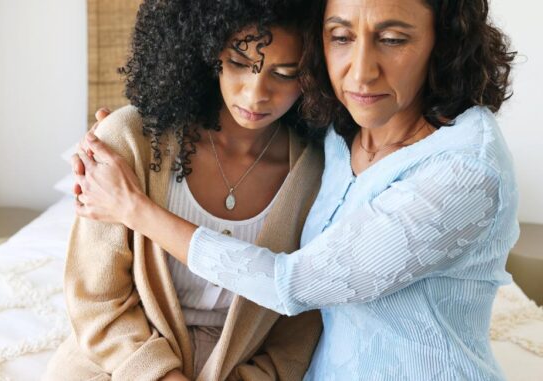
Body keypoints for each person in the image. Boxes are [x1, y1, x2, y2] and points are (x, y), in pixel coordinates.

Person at [71, 0, 519, 379]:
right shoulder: (343, 134)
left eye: (393, 39)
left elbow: (296, 294)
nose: (360, 74)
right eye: (341, 36)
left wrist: (135, 209)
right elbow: (96, 300)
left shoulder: (458, 169)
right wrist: (121, 134)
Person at [44, 0, 326, 380]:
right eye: (239, 63)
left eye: (285, 73)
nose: (256, 93)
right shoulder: (129, 140)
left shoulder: (317, 176)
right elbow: (96, 300)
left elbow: (299, 329)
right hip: (121, 361)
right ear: (209, 53)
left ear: (312, 75)